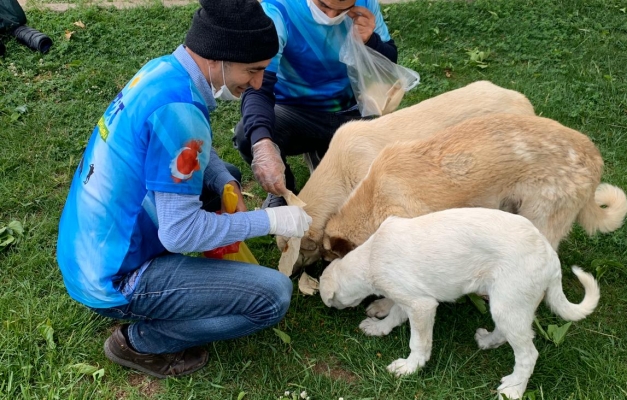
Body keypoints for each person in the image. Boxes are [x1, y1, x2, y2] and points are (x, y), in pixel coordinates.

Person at [56, 0, 312, 379]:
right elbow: (179, 233)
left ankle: (189, 287)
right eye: (253, 70)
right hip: (116, 276)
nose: (257, 84)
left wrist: (224, 181)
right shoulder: (181, 113)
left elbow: (187, 148)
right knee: (272, 296)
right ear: (220, 57)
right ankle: (142, 341)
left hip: (89, 250)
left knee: (223, 170)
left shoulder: (165, 71)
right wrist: (271, 219)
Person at [233, 0, 398, 208]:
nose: (330, 16)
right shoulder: (277, 10)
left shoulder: (366, 4)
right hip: (297, 113)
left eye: (342, 10)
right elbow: (258, 87)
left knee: (367, 192)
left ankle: (324, 151)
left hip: (353, 111)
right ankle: (284, 191)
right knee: (250, 135)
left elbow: (390, 63)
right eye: (323, 6)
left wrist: (371, 41)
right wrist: (262, 143)